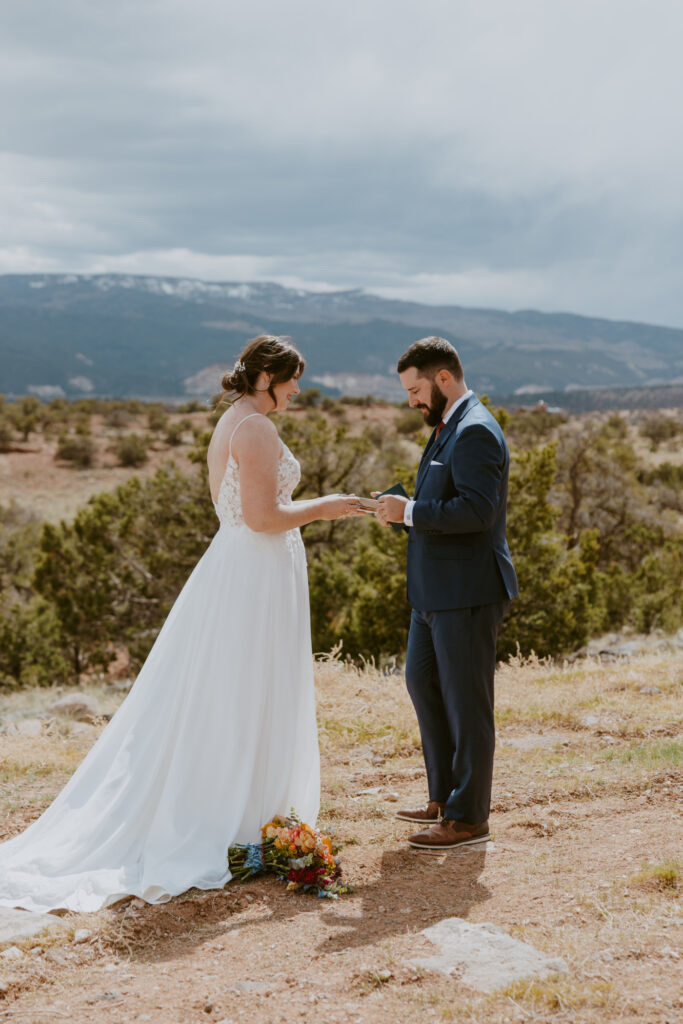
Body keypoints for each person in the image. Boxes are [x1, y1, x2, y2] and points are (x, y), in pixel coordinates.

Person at [0, 334, 360, 913]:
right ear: (268, 377)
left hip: (237, 566)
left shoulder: (231, 422)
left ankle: (242, 808)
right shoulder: (257, 428)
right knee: (247, 688)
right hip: (255, 572)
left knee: (228, 689)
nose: (298, 389)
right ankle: (235, 815)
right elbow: (265, 516)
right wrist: (328, 506)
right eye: (293, 379)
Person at [375, 336, 518, 850]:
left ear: (442, 379)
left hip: (468, 590)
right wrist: (399, 506)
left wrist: (409, 512)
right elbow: (442, 501)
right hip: (432, 594)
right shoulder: (446, 426)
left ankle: (469, 819)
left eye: (415, 389)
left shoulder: (476, 430)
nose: (412, 400)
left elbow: (477, 512)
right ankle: (442, 798)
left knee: (466, 704)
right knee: (423, 685)